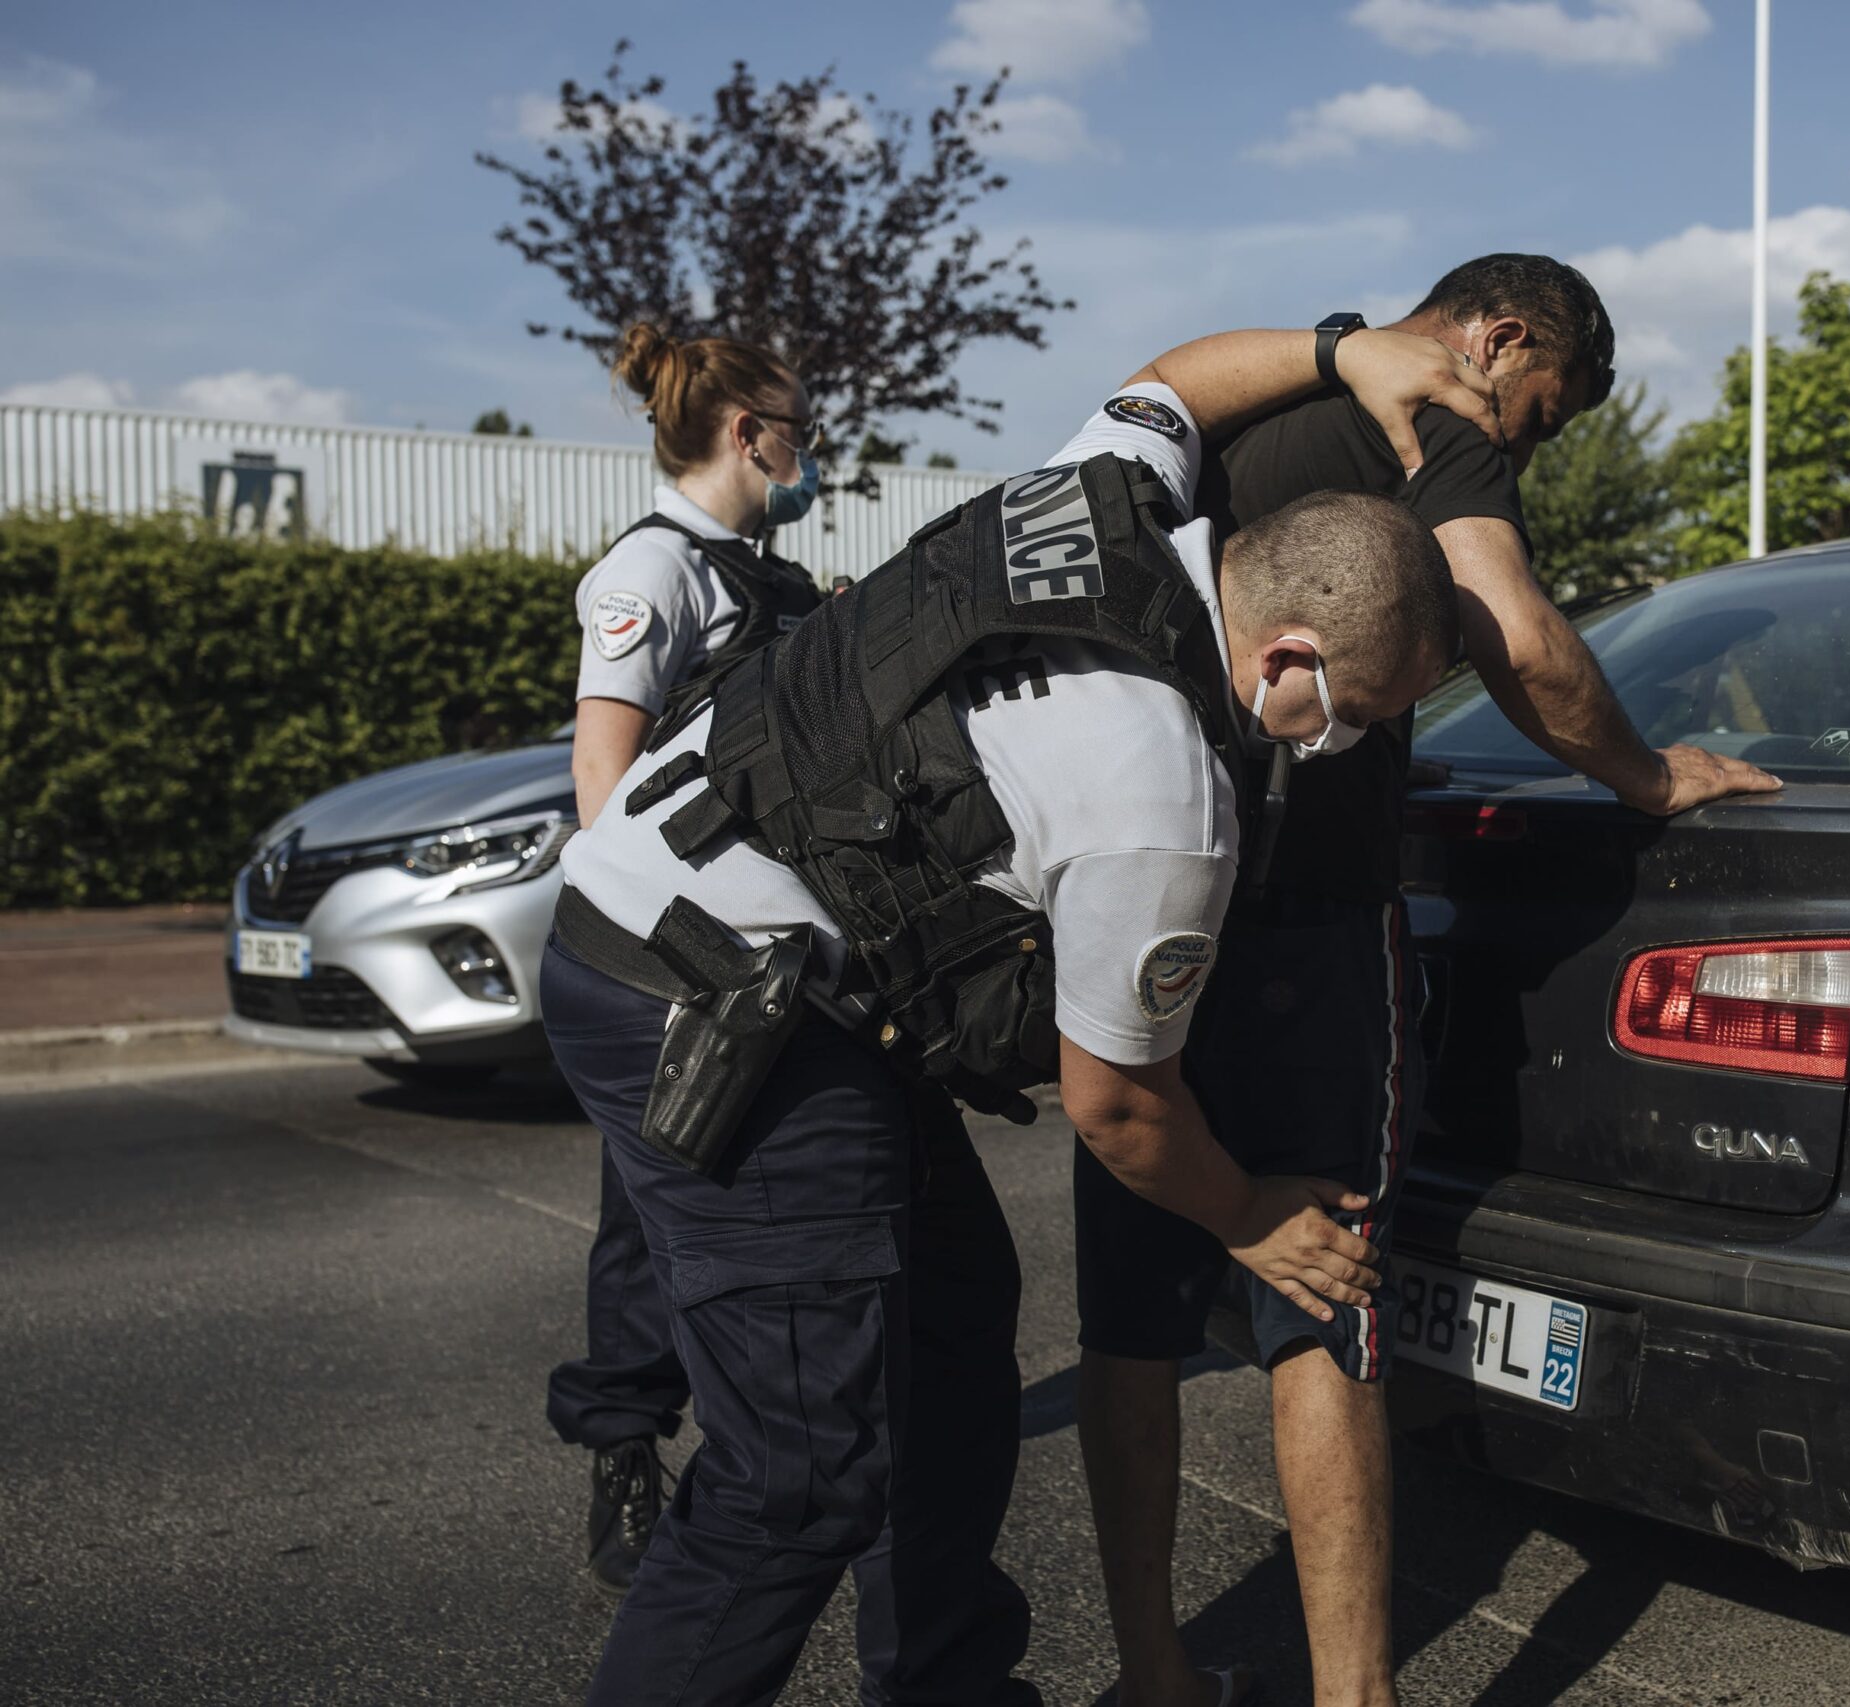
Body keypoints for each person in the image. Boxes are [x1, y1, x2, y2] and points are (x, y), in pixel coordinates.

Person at [538, 323, 1498, 1707]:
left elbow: (1173, 382)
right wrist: (1254, 1217)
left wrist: (1346, 349)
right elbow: (1116, 1103)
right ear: (1288, 649)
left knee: (950, 1317)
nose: (1333, 744)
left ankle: (946, 1683)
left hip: (736, 945)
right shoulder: (1167, 800)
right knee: (797, 1471)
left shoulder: (1107, 498)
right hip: (715, 998)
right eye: (1351, 714)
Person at [1073, 255, 1784, 1707]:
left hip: (1144, 899)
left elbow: (1150, 384)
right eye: (1543, 413)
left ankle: (1153, 1667)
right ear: (1500, 336)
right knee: (1325, 1294)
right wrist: (1652, 774)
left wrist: (1335, 343)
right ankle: (1357, 1695)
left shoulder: (1259, 394)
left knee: (1130, 1316)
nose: (1523, 442)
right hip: (1311, 923)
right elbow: (1516, 632)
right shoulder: (1443, 429)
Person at [547, 323, 828, 1595]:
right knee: (644, 1220)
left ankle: (781, 1443)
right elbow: (602, 780)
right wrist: (683, 956)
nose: (810, 450)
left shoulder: (768, 573)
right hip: (681, 964)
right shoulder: (650, 573)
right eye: (800, 427)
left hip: (773, 959)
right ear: (743, 433)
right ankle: (623, 1446)